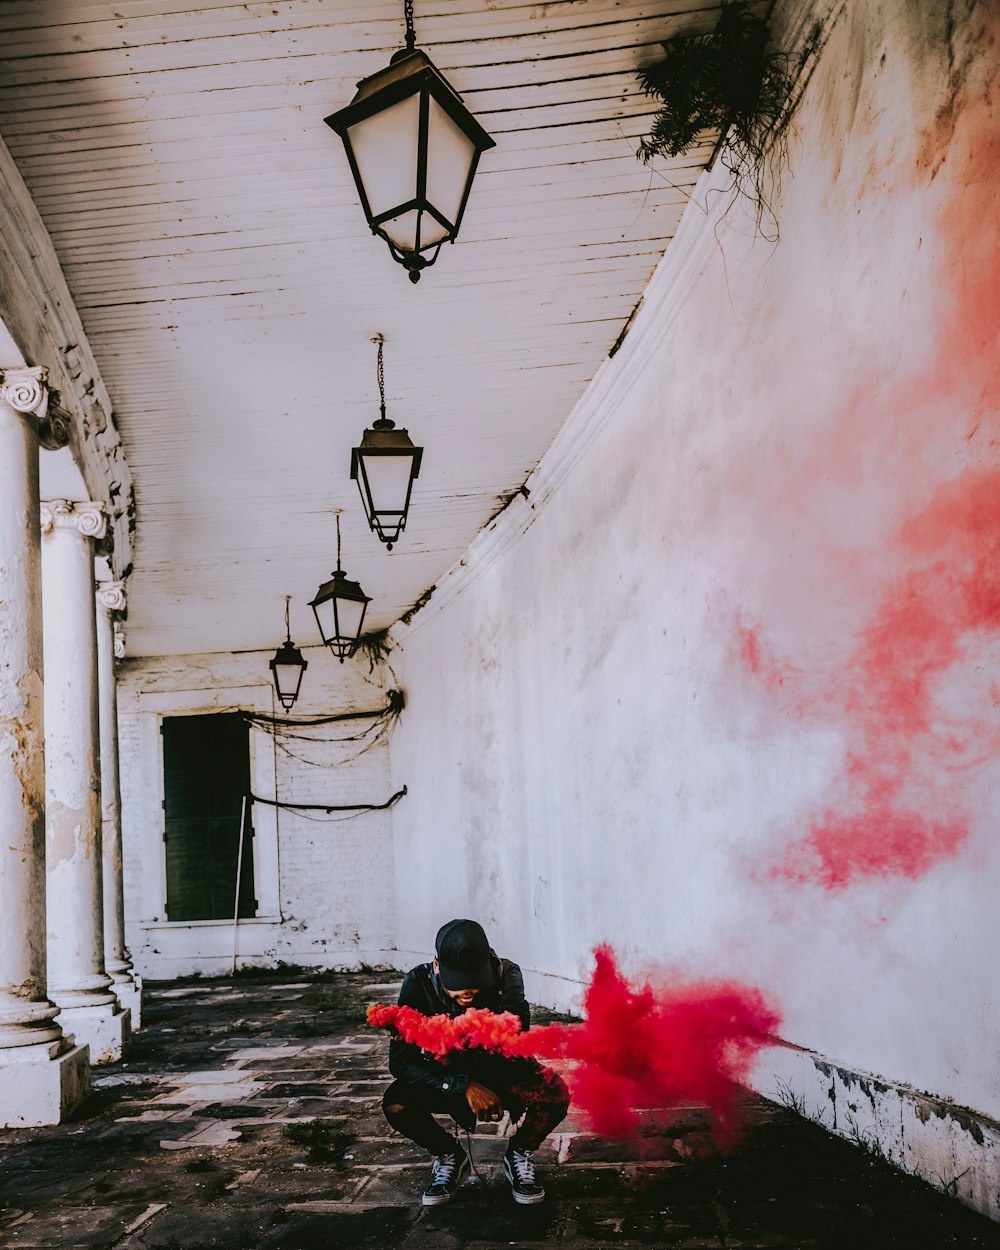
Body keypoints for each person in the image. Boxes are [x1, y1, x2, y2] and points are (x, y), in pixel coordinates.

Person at [381, 918, 570, 1207]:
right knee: (396, 1103)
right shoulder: (416, 983)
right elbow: (401, 1064)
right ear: (437, 967)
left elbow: (515, 1038)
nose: (468, 992)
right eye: (457, 982)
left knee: (555, 1092)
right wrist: (463, 1086)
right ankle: (449, 1155)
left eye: (476, 981)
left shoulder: (507, 973)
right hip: (447, 1077)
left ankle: (519, 1152)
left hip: (502, 1069)